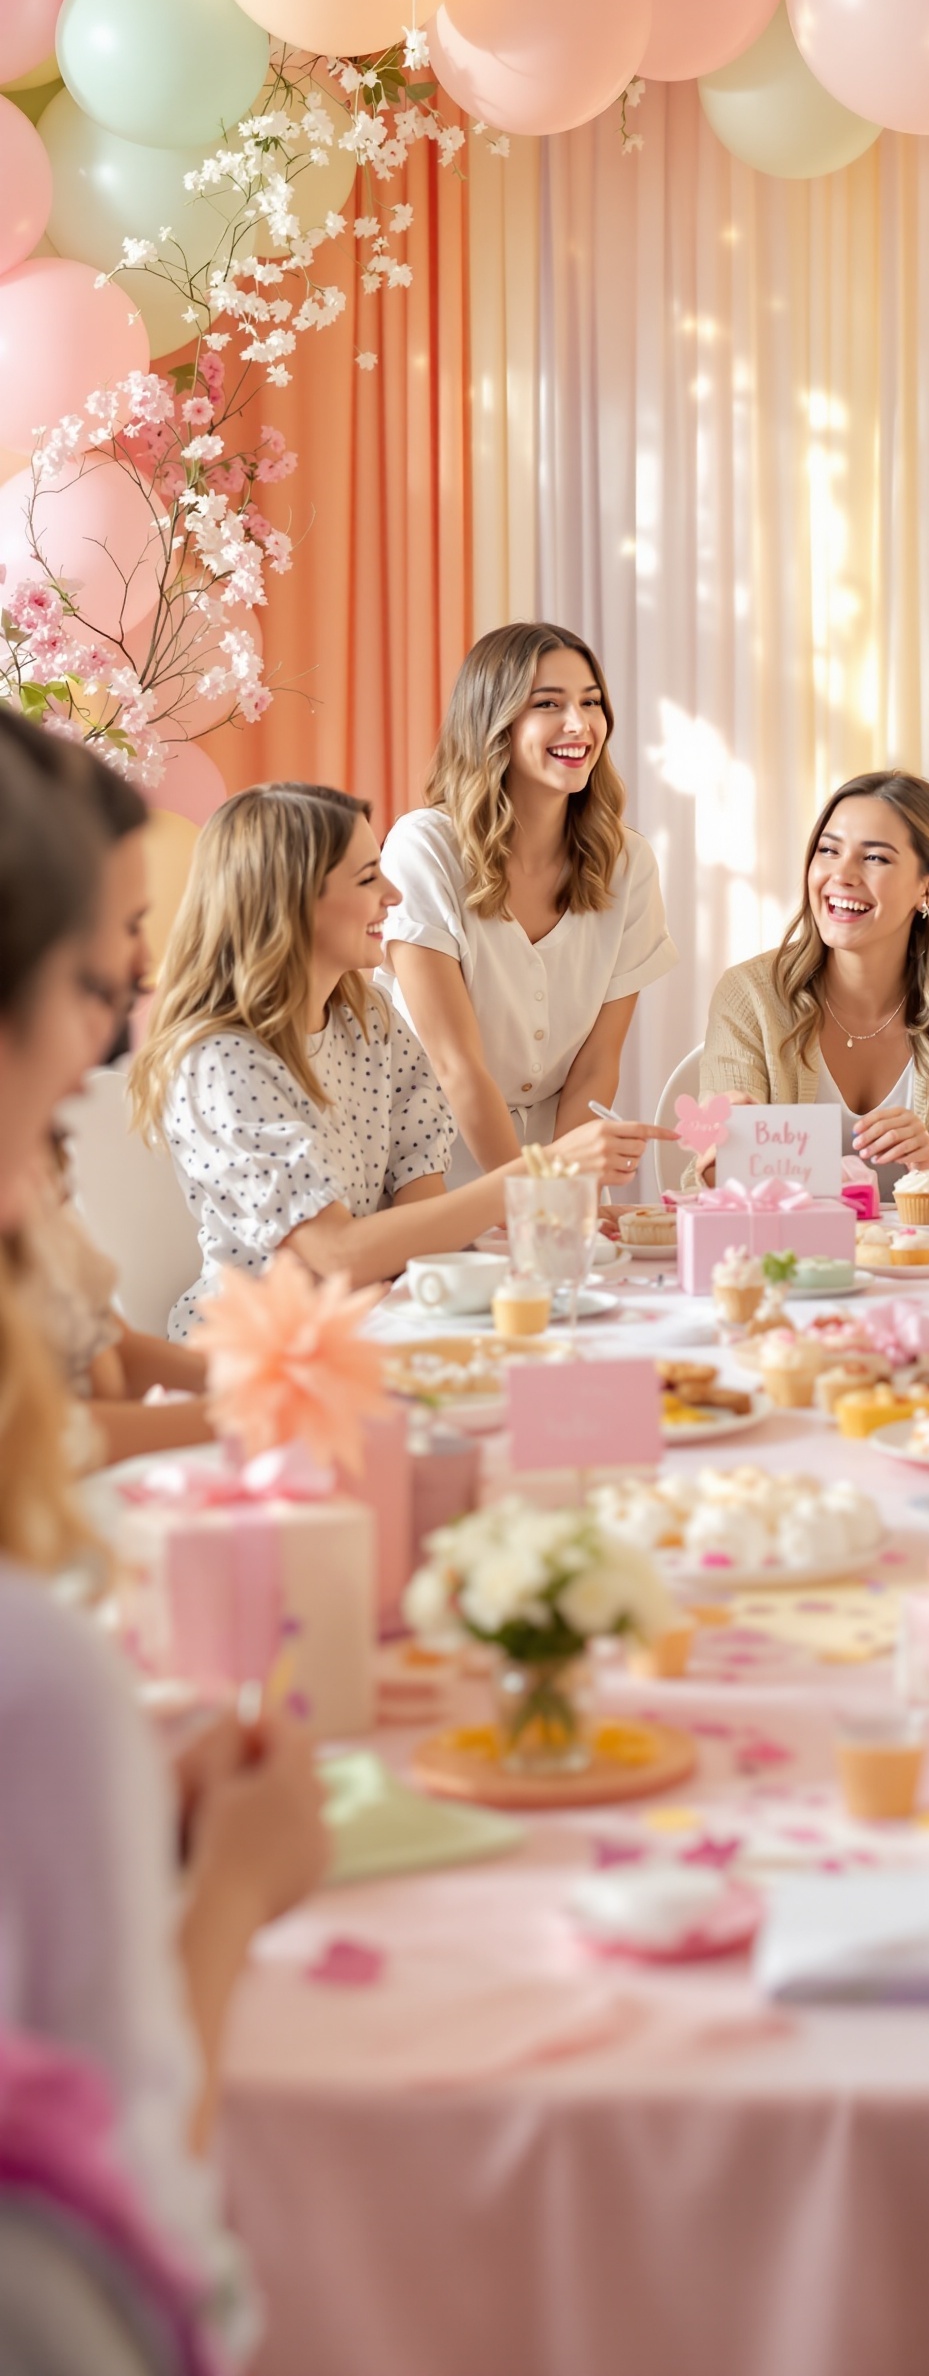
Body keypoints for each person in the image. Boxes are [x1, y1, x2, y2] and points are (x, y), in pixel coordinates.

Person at [0, 710, 326, 2361]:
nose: (121, 1014)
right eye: (93, 977)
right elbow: (140, 2241)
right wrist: (234, 1887)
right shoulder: (34, 1681)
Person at [130, 783, 553, 1338]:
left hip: (377, 1320)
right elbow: (334, 1253)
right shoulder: (220, 1062)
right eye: (367, 877)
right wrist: (538, 1175)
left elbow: (420, 1194)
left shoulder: (369, 1019)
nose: (393, 894)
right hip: (261, 1350)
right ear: (291, 899)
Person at [380, 624, 677, 1191]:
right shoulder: (424, 848)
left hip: (552, 1166)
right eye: (548, 704)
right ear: (494, 721)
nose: (579, 724)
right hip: (425, 1165)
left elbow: (596, 1065)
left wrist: (563, 1193)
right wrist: (533, 1199)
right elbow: (455, 1065)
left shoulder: (627, 863)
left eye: (591, 702)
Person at [698, 771, 929, 1205]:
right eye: (828, 850)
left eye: (875, 858)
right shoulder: (750, 996)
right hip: (790, 1245)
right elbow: (709, 1178)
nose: (842, 874)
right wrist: (726, 1152)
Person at [22, 744, 212, 1459]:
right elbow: (35, 1439)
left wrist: (269, 1389)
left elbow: (107, 1350)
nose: (142, 964)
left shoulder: (34, 1143)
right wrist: (243, 1418)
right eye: (130, 924)